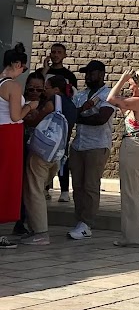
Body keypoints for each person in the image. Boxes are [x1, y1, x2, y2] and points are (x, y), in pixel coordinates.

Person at [20, 75, 77, 246]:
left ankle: (40, 233)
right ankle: (35, 230)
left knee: (34, 191)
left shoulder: (53, 102)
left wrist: (24, 113)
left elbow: (34, 121)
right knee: (38, 189)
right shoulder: (71, 105)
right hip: (57, 155)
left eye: (47, 87)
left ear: (56, 90)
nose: (44, 90)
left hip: (42, 153)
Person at [107, 68, 139, 247]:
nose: (129, 88)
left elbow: (111, 99)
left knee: (130, 193)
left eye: (131, 84)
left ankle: (130, 237)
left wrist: (121, 79)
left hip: (134, 147)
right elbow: (128, 113)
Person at [68, 60, 114, 241]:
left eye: (91, 73)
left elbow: (101, 119)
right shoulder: (80, 95)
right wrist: (81, 113)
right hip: (78, 144)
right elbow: (70, 115)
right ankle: (79, 220)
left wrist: (79, 116)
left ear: (101, 74)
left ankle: (87, 223)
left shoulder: (108, 94)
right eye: (86, 73)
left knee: (91, 186)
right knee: (77, 186)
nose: (87, 77)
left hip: (97, 145)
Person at [0, 43, 38, 249]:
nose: (23, 71)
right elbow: (16, 116)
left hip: (3, 132)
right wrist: (30, 106)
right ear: (16, 64)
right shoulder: (12, 86)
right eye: (23, 67)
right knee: (6, 180)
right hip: (9, 134)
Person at [35, 42, 77, 202]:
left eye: (59, 52)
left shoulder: (69, 76)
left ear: (64, 55)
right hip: (45, 118)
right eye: (53, 52)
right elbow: (36, 86)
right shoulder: (42, 72)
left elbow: (72, 95)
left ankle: (64, 189)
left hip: (61, 119)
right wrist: (44, 70)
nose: (55, 55)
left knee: (61, 153)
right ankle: (45, 187)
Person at [13, 72, 46, 235]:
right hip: (19, 146)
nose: (34, 92)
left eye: (39, 90)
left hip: (38, 150)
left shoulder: (46, 105)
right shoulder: (19, 101)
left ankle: (24, 221)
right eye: (31, 89)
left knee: (31, 186)